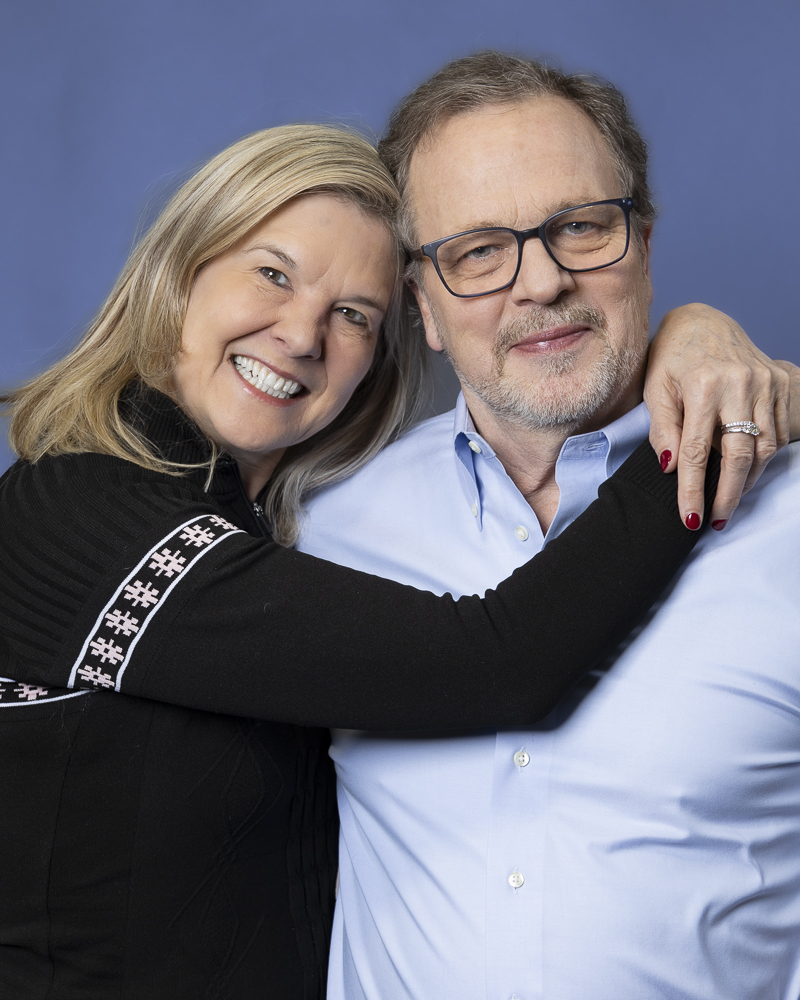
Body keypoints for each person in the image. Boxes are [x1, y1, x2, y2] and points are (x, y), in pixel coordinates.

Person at [0, 123, 791, 999]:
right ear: (176, 274)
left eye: (353, 315)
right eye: (273, 274)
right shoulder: (70, 511)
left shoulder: (284, 534)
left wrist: (694, 339)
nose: (301, 334)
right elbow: (495, 664)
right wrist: (709, 416)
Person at [296, 53, 800, 999]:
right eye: (478, 251)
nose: (540, 283)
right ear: (424, 307)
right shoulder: (320, 534)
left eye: (581, 226)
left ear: (643, 246)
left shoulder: (790, 528)